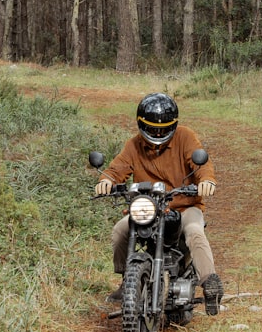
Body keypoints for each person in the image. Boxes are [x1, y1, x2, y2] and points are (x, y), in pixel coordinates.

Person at [94, 92, 224, 315]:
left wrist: (206, 181)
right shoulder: (134, 145)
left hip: (184, 206)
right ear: (141, 124)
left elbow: (201, 163)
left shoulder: (185, 137)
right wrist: (106, 180)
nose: (157, 133)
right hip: (149, 207)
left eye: (163, 129)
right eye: (152, 128)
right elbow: (117, 168)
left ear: (173, 126)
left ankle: (210, 284)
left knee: (194, 231)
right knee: (120, 230)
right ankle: (128, 282)